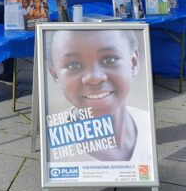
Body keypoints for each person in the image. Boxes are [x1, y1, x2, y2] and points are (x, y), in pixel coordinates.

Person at [45, 29, 152, 162]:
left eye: (110, 59)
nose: (94, 78)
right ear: (55, 75)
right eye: (73, 65)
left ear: (133, 63)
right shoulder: (51, 149)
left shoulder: (148, 128)